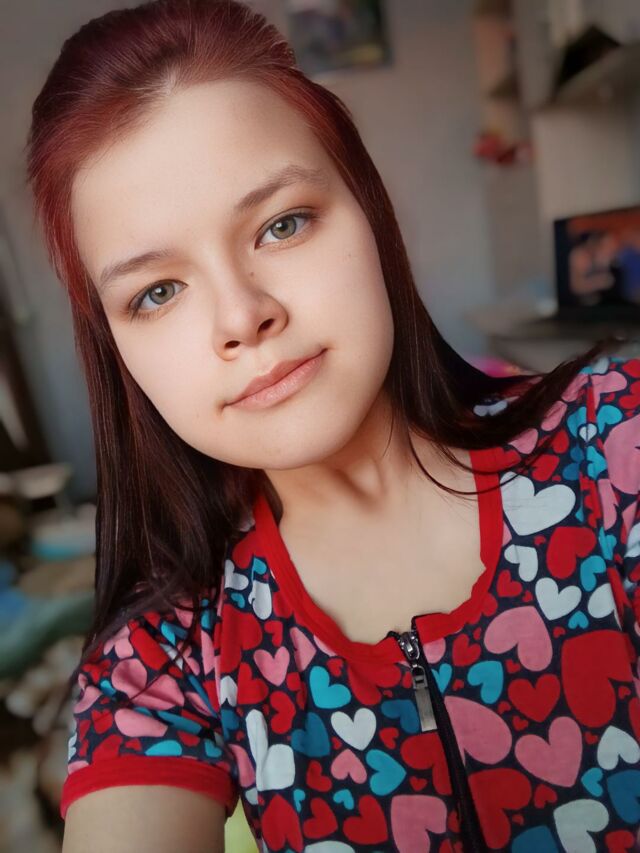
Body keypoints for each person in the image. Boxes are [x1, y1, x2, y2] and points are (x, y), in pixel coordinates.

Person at [25, 1, 640, 850]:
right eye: (157, 292)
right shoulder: (165, 645)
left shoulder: (616, 445)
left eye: (282, 224)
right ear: (117, 350)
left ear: (369, 212)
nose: (242, 316)